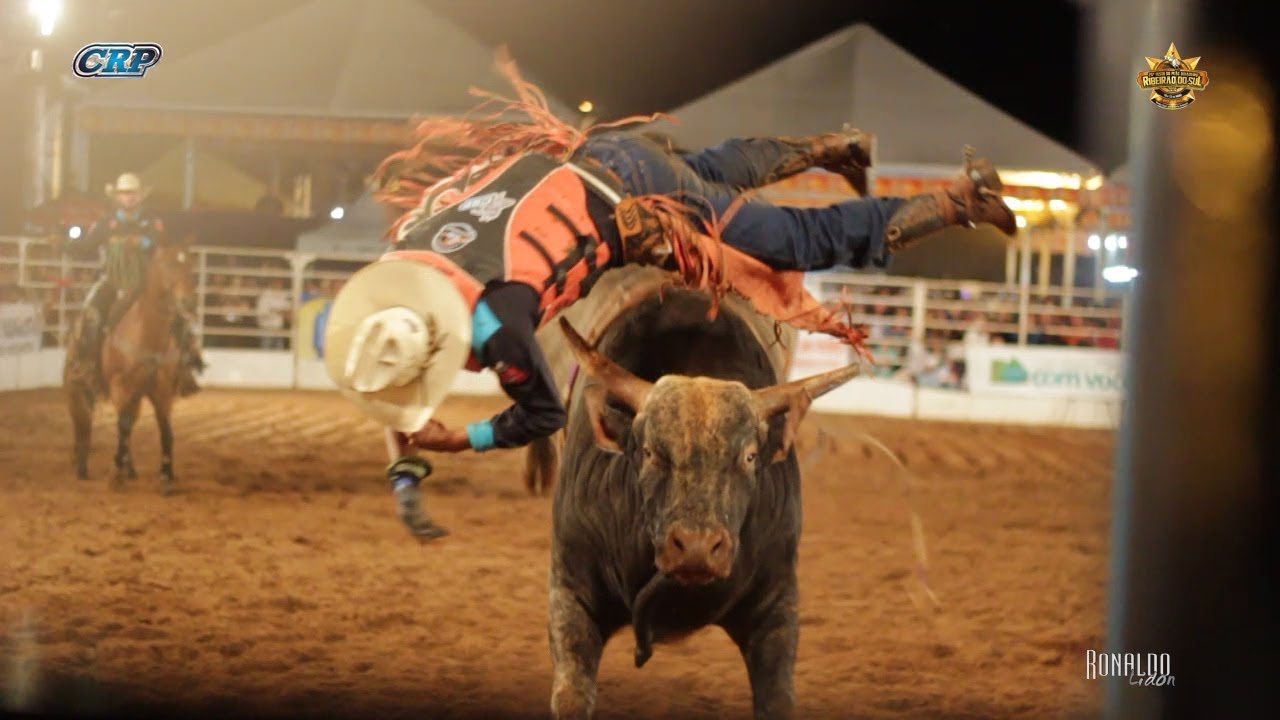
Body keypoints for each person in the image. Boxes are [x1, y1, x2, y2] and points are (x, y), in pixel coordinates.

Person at [323, 56, 1016, 538]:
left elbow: (538, 413)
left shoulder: (498, 318)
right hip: (600, 154)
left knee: (785, 240)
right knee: (711, 171)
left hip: (629, 193)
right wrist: (406, 463)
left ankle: (960, 201)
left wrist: (463, 439)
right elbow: (397, 370)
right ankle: (834, 147)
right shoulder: (405, 257)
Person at [68, 173, 206, 392]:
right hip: (112, 280)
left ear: (140, 196)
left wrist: (141, 242)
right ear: (117, 197)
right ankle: (86, 364)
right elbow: (86, 246)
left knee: (180, 315)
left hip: (147, 283)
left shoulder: (152, 221)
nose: (129, 198)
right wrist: (65, 245)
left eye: (132, 193)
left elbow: (160, 242)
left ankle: (185, 365)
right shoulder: (106, 223)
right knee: (91, 313)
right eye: (124, 194)